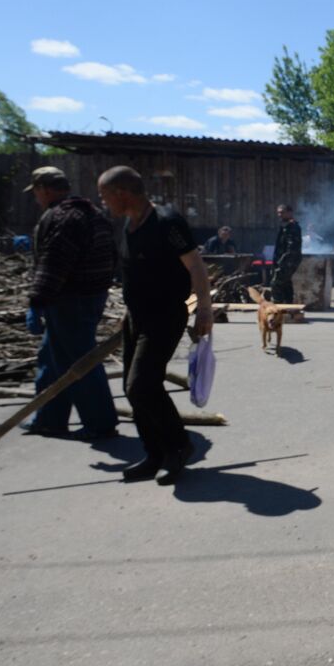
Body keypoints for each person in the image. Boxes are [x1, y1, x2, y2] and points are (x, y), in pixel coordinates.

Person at [97, 166, 214, 484]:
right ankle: (154, 454)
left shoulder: (166, 221)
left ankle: (179, 446)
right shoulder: (128, 225)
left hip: (164, 317)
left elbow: (196, 266)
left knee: (141, 385)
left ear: (122, 193)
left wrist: (204, 308)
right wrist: (129, 312)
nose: (104, 202)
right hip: (136, 318)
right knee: (132, 390)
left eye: (105, 195)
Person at [20, 166, 119, 440]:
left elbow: (54, 264)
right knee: (52, 358)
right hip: (89, 296)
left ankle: (100, 423)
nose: (36, 198)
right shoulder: (91, 214)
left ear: (45, 189)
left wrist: (37, 301)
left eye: (36, 192)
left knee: (81, 362)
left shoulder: (63, 218)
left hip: (70, 300)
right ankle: (50, 418)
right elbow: (113, 257)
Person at [272, 204, 302, 304]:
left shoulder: (292, 227)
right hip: (283, 260)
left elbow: (291, 248)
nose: (279, 215)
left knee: (276, 284)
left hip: (288, 261)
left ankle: (278, 307)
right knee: (286, 284)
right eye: (278, 212)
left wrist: (282, 262)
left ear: (289, 213)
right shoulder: (284, 226)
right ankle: (288, 307)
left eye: (282, 212)